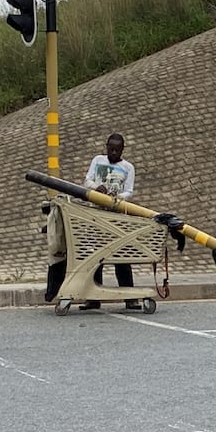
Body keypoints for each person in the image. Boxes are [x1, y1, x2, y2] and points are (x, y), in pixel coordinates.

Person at [81, 132, 140, 310]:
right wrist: (95, 188)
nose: (113, 152)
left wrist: (118, 197)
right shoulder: (97, 160)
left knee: (121, 257)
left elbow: (129, 191)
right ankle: (93, 297)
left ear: (122, 150)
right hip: (96, 215)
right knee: (95, 256)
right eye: (110, 148)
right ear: (106, 147)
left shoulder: (128, 167)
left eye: (117, 149)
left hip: (117, 217)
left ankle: (130, 298)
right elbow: (87, 181)